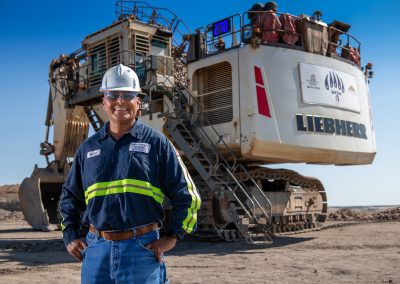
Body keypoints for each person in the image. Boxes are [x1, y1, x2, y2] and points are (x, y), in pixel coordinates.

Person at [59, 64, 201, 283]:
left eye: (128, 94)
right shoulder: (88, 149)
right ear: (104, 101)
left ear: (138, 101)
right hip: (95, 251)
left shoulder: (157, 143)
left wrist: (173, 236)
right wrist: (70, 236)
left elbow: (188, 195)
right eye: (113, 95)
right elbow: (69, 198)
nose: (120, 101)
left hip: (142, 250)